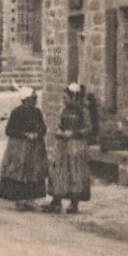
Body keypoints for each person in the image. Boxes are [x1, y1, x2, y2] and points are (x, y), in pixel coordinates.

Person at [0, 87, 48, 211]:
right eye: (33, 98)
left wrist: (37, 134)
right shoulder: (17, 112)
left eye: (35, 98)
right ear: (26, 99)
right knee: (19, 172)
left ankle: (31, 200)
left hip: (35, 147)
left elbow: (43, 128)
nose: (35, 101)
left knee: (33, 172)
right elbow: (9, 130)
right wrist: (24, 134)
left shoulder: (37, 112)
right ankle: (19, 199)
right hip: (20, 148)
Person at [45, 82, 92, 214]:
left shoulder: (83, 112)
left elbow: (89, 129)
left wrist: (73, 134)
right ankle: (56, 201)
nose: (64, 101)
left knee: (75, 173)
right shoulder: (64, 110)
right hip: (63, 145)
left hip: (76, 146)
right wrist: (60, 131)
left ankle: (74, 203)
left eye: (66, 98)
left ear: (74, 97)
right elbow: (60, 124)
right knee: (58, 171)